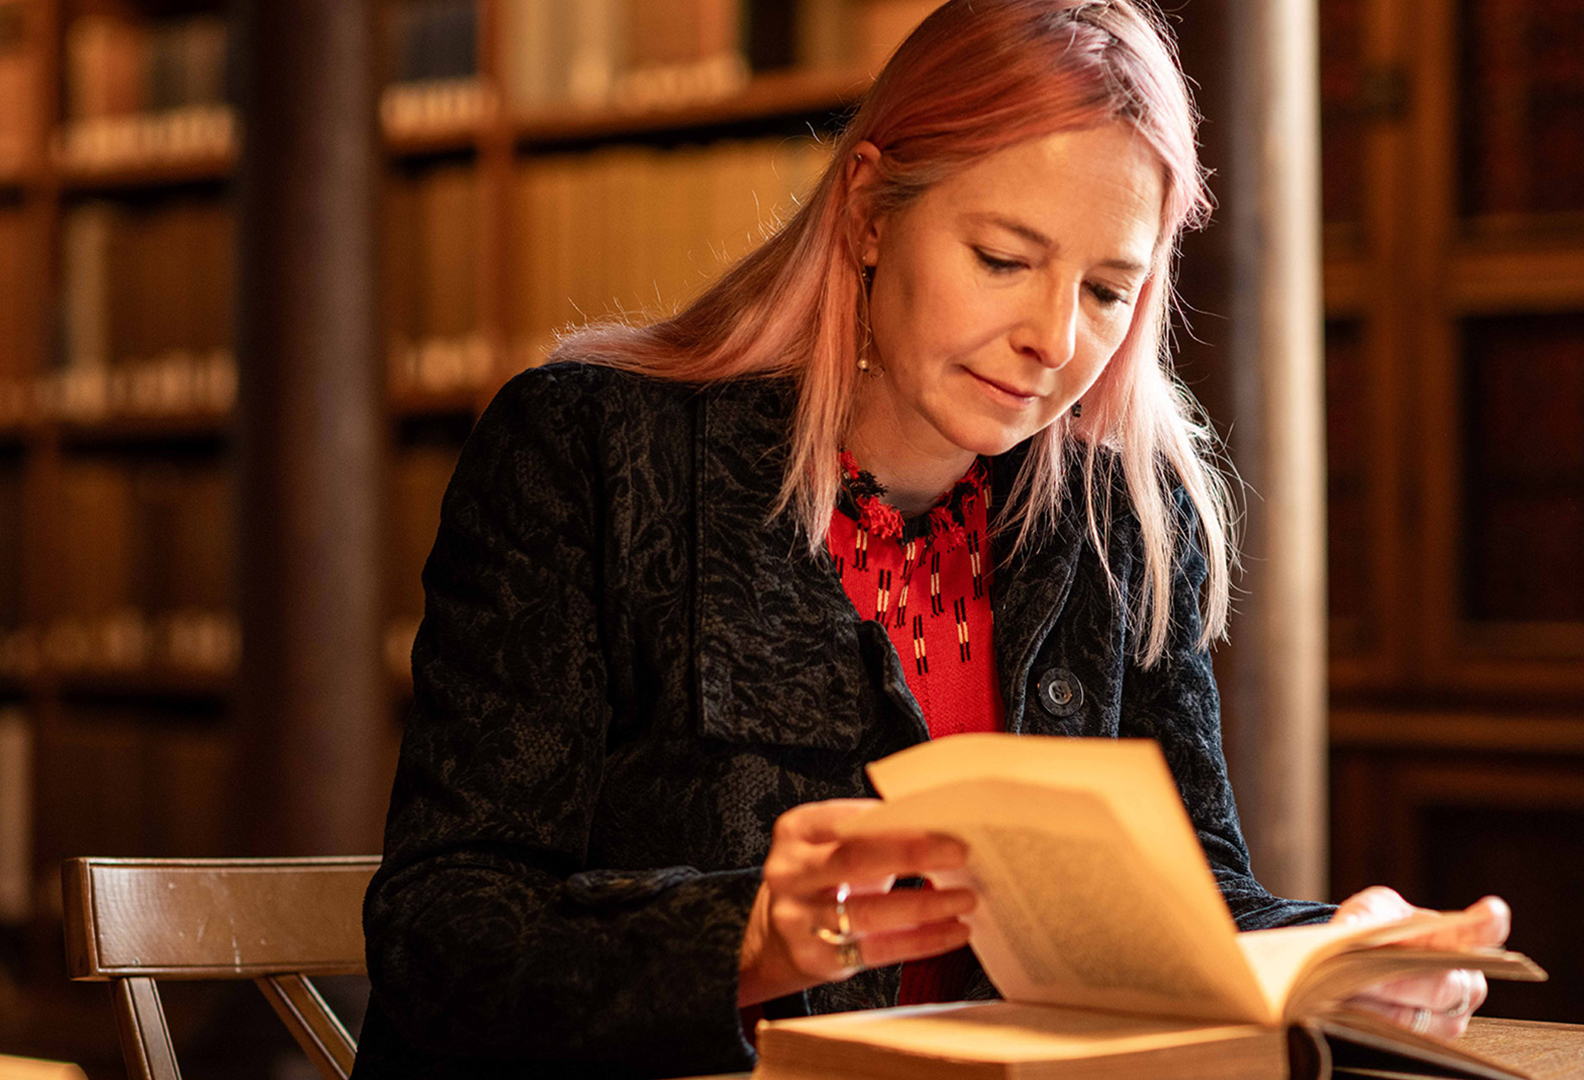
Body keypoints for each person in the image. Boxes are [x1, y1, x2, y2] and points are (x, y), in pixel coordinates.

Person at [353, 1, 1511, 1076]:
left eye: (1110, 291)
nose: (1055, 339)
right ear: (868, 210)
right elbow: (442, 934)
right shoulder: (588, 453)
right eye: (1004, 260)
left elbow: (1186, 914)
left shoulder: (1113, 523)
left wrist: (1342, 956)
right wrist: (743, 939)